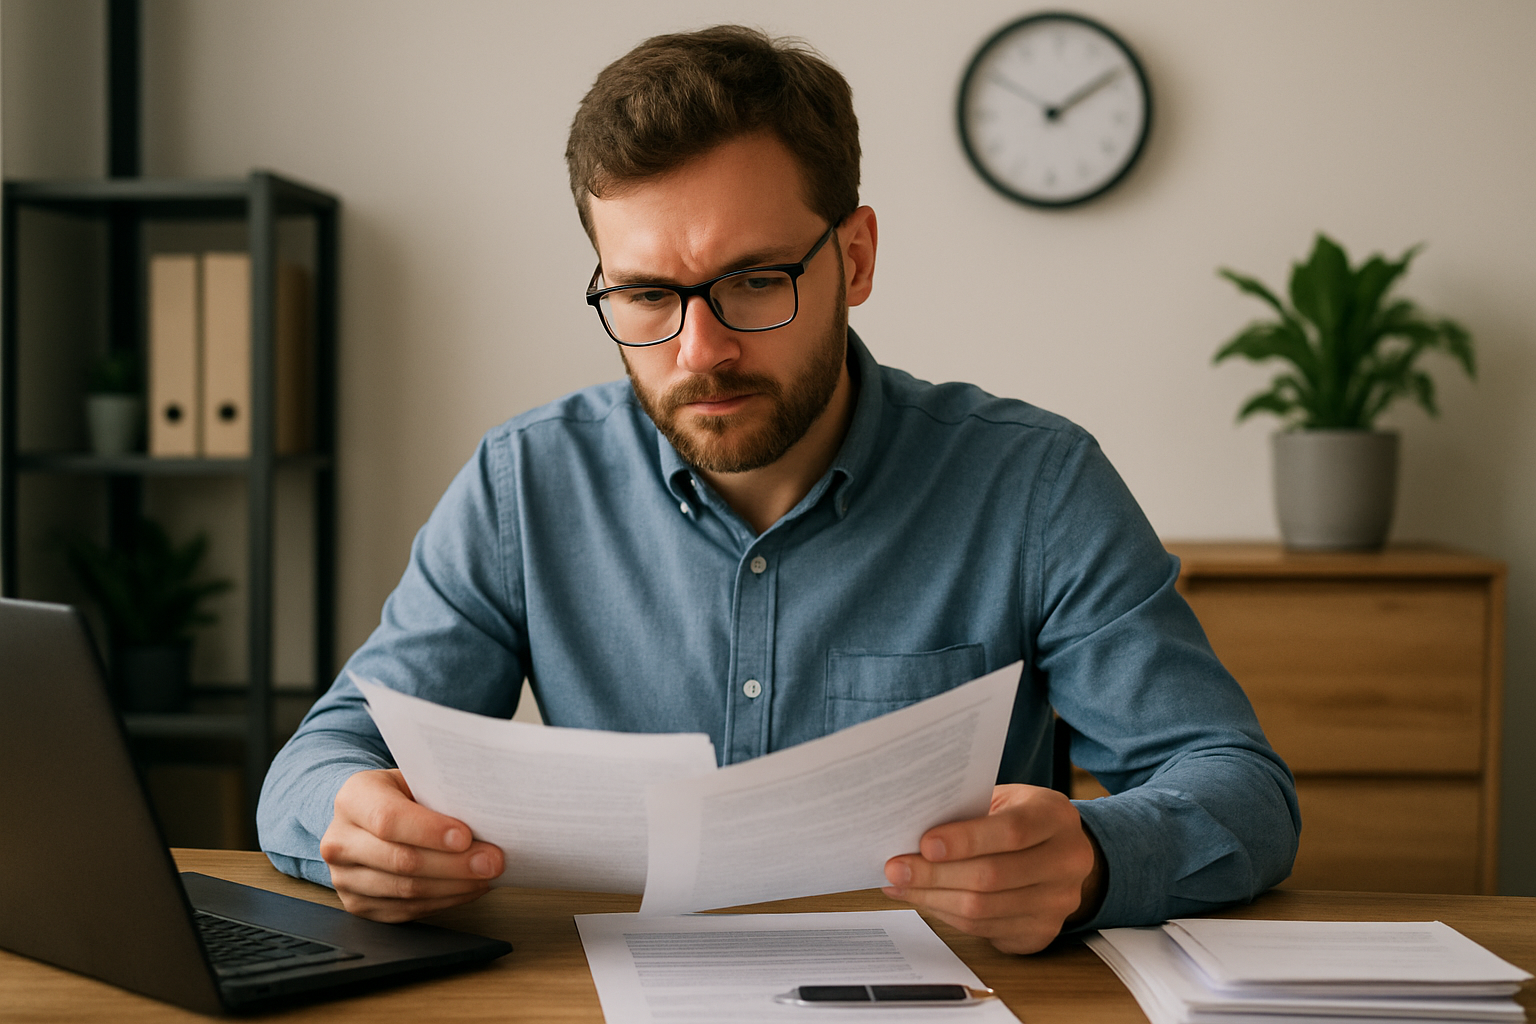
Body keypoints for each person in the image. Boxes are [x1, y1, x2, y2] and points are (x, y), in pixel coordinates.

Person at [258, 25, 1299, 955]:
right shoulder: (521, 483)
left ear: (854, 255)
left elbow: (1239, 789)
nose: (699, 350)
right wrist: (353, 820)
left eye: (756, 280)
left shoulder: (1036, 483)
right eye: (646, 294)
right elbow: (319, 763)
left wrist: (1095, 861)